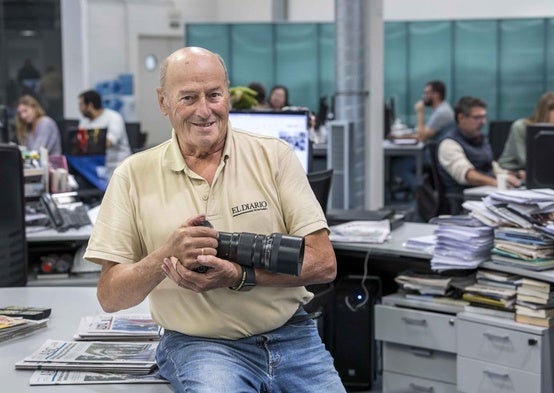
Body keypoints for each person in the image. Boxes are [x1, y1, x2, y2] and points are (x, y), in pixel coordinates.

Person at [83, 46, 344, 392]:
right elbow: (110, 297)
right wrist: (167, 253)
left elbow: (324, 264)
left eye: (214, 95)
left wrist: (239, 276)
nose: (204, 111)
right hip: (200, 345)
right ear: (163, 103)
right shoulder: (133, 175)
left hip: (290, 334)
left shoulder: (275, 156)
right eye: (188, 97)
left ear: (228, 95)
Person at [438, 96, 520, 214]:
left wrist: (508, 175)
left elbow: (490, 165)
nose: (483, 122)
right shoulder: (449, 144)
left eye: (484, 117)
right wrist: (495, 183)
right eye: (477, 117)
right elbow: (467, 175)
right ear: (461, 118)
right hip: (464, 204)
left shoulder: (480, 138)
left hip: (485, 197)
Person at [391, 80, 456, 196]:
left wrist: (420, 113)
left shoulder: (442, 112)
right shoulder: (441, 109)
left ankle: (423, 195)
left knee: (399, 166)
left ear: (436, 95)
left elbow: (422, 137)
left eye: (426, 93)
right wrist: (402, 136)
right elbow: (425, 133)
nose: (424, 96)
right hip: (434, 151)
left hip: (435, 155)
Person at [498, 92, 554, 178]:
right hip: (510, 173)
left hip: (538, 173)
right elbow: (527, 161)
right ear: (544, 114)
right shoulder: (520, 127)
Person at [78, 90, 131, 172]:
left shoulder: (113, 117)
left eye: (81, 105)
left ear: (90, 106)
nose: (79, 109)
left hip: (117, 166)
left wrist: (87, 144)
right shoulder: (84, 122)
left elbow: (109, 143)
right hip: (95, 167)